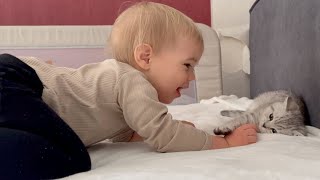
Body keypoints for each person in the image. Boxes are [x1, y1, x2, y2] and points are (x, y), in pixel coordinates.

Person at [0, 2, 257, 179]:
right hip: (15, 81)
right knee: (71, 158)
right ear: (145, 57)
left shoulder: (119, 95)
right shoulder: (132, 80)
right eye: (187, 65)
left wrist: (165, 131)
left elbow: (126, 135)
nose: (191, 76)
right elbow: (164, 136)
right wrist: (222, 142)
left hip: (14, 82)